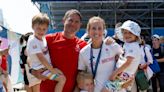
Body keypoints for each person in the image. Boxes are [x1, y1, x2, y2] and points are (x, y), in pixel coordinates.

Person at [30, 9, 87, 92]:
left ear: (80, 25)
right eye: (70, 20)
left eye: (76, 22)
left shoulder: (83, 45)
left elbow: (83, 72)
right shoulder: (48, 39)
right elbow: (31, 57)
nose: (73, 24)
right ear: (64, 20)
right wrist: (33, 71)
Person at [78, 16, 123, 92]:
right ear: (88, 31)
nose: (96, 31)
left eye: (99, 28)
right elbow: (81, 76)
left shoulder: (112, 46)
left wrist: (110, 87)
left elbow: (127, 68)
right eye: (93, 28)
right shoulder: (83, 52)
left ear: (103, 31)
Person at [26, 13, 66, 92]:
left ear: (47, 29)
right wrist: (52, 70)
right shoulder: (33, 40)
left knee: (62, 75)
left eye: (44, 29)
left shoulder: (42, 38)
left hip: (45, 68)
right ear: (32, 27)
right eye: (38, 28)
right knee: (62, 79)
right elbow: (41, 57)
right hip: (42, 69)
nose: (41, 31)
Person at [104, 20, 142, 92]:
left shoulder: (133, 46)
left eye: (130, 32)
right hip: (124, 75)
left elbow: (128, 62)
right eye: (125, 32)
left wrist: (114, 73)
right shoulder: (129, 44)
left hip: (123, 75)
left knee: (105, 90)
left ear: (136, 35)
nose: (127, 35)